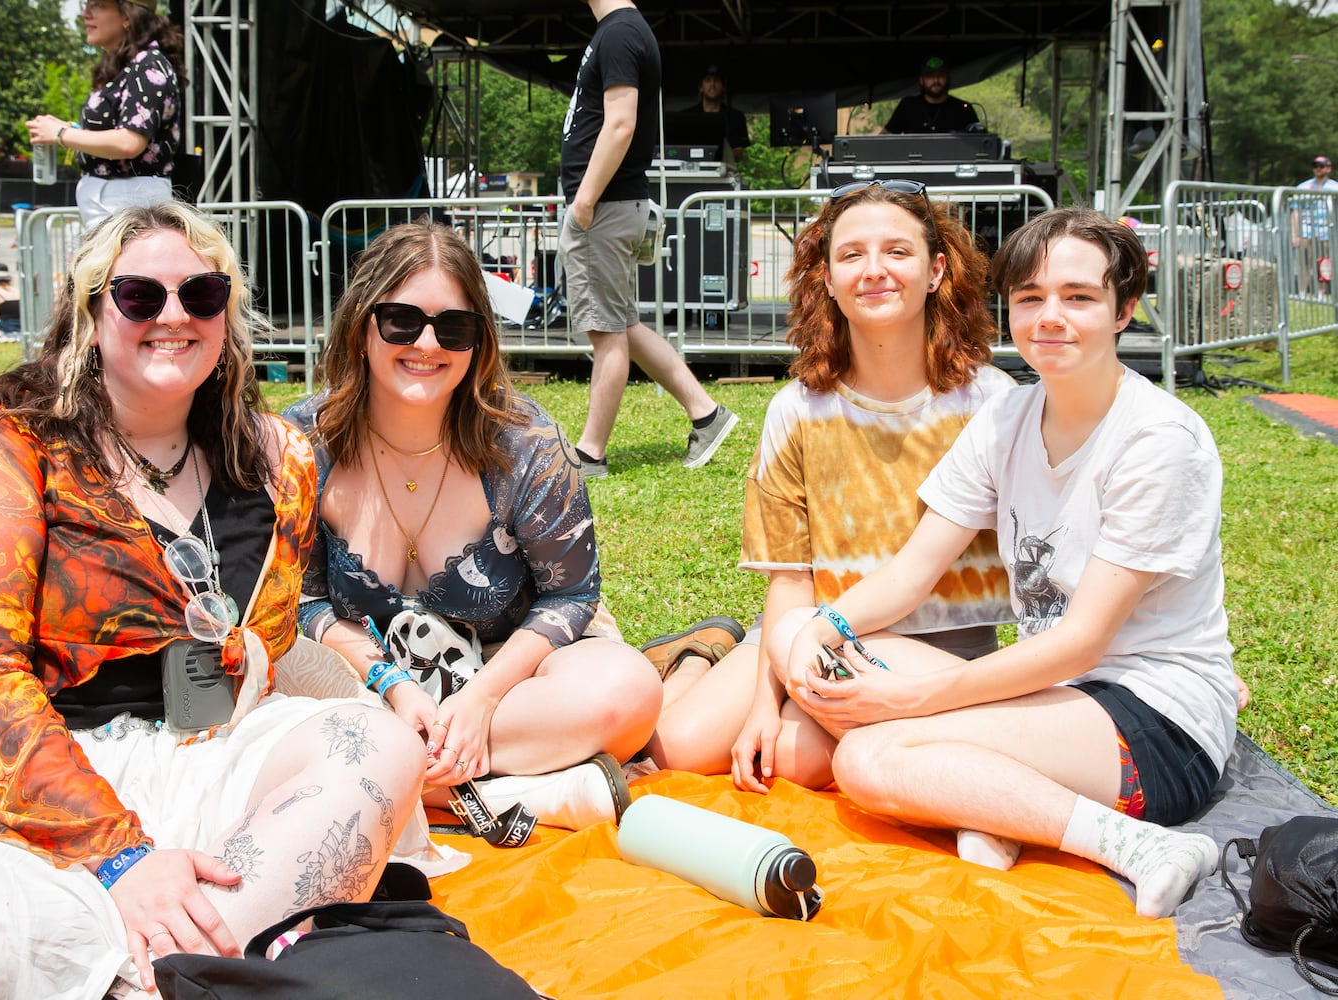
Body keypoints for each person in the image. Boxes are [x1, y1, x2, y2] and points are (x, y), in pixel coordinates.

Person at [0, 202, 427, 998]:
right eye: (139, 297)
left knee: (375, 753)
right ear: (91, 313)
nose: (174, 316)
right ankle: (185, 954)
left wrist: (384, 691)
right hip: (15, 764)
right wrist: (119, 855)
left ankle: (160, 970)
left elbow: (265, 644)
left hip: (201, 751)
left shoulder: (277, 459)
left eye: (202, 295)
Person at [769, 208, 1234, 919]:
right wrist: (821, 628)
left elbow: (1082, 642)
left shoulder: (1160, 440)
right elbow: (911, 572)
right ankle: (995, 806)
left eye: (1078, 297)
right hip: (1056, 692)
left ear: (1124, 311)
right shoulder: (1009, 419)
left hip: (1155, 719)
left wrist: (909, 702)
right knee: (835, 653)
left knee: (868, 758)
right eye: (1029, 298)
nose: (1051, 317)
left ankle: (1140, 846)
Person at [282, 219, 662, 830]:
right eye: (401, 320)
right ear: (360, 328)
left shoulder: (525, 443)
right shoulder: (301, 443)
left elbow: (572, 594)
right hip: (361, 677)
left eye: (453, 328)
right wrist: (393, 686)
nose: (427, 345)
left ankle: (397, 785)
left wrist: (481, 701)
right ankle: (519, 793)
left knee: (627, 689)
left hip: (507, 674)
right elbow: (298, 600)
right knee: (265, 683)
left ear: (478, 344)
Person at [648, 180, 1015, 779]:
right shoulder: (796, 410)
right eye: (851, 255)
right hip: (806, 640)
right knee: (675, 752)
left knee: (793, 760)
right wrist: (767, 701)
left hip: (942, 654)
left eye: (898, 252)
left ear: (936, 270)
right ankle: (700, 654)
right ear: (826, 278)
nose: (875, 271)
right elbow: (791, 579)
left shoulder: (992, 403)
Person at [560, 0, 739, 478]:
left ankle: (591, 453)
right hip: (615, 205)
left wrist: (583, 202)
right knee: (623, 325)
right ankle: (706, 413)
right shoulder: (625, 30)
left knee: (609, 335)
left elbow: (620, 123)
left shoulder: (619, 33)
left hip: (605, 206)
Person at [27, 0, 184, 227]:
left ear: (127, 17)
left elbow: (130, 142)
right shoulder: (128, 65)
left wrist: (61, 133)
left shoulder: (148, 65)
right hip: (119, 201)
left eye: (97, 5)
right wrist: (72, 130)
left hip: (132, 202)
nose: (85, 14)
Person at [884, 56, 981, 134]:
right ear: (921, 80)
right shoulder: (908, 106)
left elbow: (981, 141)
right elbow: (885, 138)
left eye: (940, 76)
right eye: (930, 76)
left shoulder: (962, 108)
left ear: (948, 78)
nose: (936, 81)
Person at [680, 65, 750, 162]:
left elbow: (740, 153)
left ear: (723, 87)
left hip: (726, 171)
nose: (712, 85)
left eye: (716, 80)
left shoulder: (736, 117)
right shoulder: (686, 117)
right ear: (701, 87)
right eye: (708, 80)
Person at [1290, 155, 1337, 296]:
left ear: (1328, 169)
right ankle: (1303, 293)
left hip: (1326, 230)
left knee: (1323, 262)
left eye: (1321, 166)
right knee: (1304, 262)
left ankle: (1321, 293)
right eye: (1315, 166)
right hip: (1306, 230)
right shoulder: (1303, 187)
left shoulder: (1335, 187)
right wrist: (1294, 233)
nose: (1317, 169)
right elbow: (1296, 211)